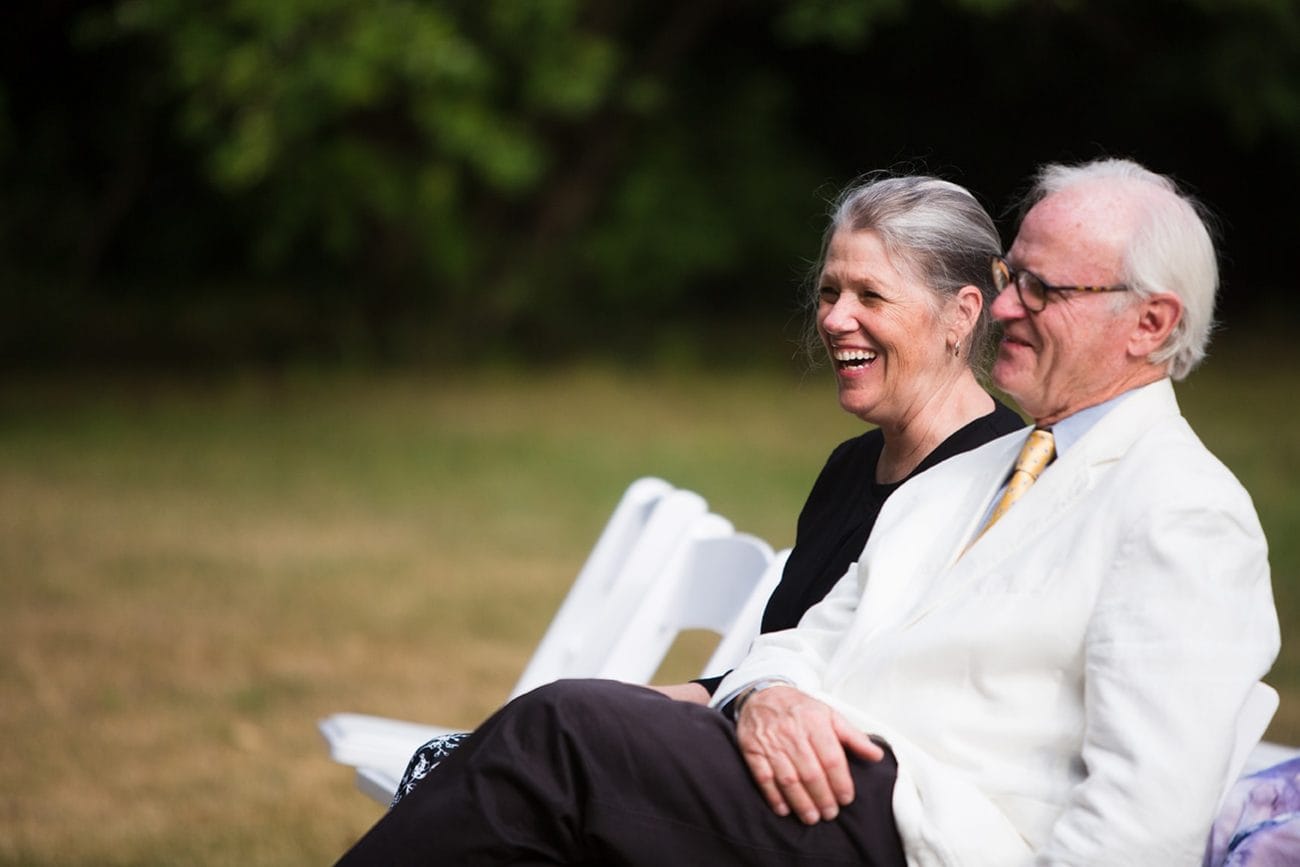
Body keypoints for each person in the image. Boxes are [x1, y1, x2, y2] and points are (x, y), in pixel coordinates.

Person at [335, 157, 1279, 867]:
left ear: (1151, 324)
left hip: (928, 835)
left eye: (1042, 287)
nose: (1005, 308)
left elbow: (1143, 820)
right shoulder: (979, 470)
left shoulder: (1185, 512)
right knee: (556, 773)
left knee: (566, 733)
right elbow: (798, 639)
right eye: (1009, 277)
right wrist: (772, 693)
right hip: (821, 788)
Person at [387, 173, 1023, 803]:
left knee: (534, 766)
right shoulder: (851, 468)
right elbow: (770, 663)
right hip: (753, 744)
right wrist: (603, 708)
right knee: (519, 738)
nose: (835, 318)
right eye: (829, 291)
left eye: (870, 296)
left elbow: (900, 706)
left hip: (825, 802)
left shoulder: (998, 487)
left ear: (961, 314)